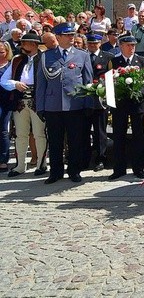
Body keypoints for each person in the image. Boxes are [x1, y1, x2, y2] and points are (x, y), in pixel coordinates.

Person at [35, 22, 93, 184]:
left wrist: (88, 103)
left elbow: (88, 81)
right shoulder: (47, 56)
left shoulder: (82, 55)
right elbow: (41, 84)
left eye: (72, 35)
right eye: (67, 35)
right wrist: (40, 107)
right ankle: (55, 172)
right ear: (58, 37)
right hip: (53, 106)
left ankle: (74, 170)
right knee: (55, 142)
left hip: (75, 105)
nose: (71, 38)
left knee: (75, 141)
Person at [108, 35, 144, 181]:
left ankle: (138, 168)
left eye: (133, 45)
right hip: (120, 105)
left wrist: (139, 92)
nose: (131, 47)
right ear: (121, 46)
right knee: (119, 137)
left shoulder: (142, 61)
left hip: (137, 104)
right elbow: (109, 83)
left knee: (138, 137)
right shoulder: (114, 61)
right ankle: (119, 169)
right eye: (128, 45)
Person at [1, 34, 45, 177]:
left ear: (33, 44)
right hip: (19, 100)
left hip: (38, 100)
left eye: (24, 43)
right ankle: (20, 166)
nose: (21, 46)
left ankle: (41, 164)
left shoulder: (43, 58)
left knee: (39, 134)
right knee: (20, 135)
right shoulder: (17, 59)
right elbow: (3, 80)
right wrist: (15, 84)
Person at [84, 33, 114, 172]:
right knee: (83, 131)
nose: (92, 46)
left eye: (95, 43)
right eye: (90, 43)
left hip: (100, 100)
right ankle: (85, 158)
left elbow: (111, 78)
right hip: (84, 99)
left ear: (100, 43)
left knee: (100, 131)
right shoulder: (82, 56)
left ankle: (101, 158)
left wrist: (109, 100)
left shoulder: (107, 57)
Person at [0, 41, 11, 172]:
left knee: (3, 130)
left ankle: (3, 159)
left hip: (5, 102)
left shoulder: (10, 66)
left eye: (1, 52)